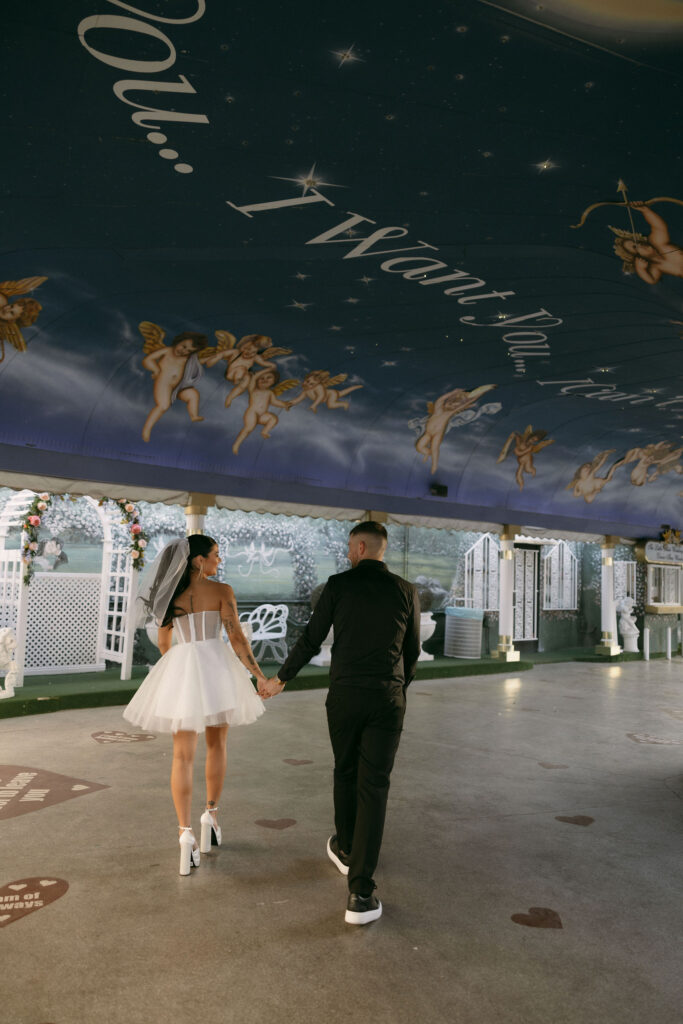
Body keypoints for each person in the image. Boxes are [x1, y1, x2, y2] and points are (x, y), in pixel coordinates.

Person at [261, 521, 421, 925]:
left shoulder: (337, 586)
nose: (349, 553)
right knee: (375, 785)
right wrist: (397, 688)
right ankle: (361, 894)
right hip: (387, 697)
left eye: (351, 547)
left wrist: (281, 678)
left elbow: (311, 639)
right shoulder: (406, 591)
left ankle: (347, 847)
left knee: (345, 771)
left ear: (362, 547)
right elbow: (412, 650)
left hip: (345, 697)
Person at [123, 536, 267, 875]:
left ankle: (185, 834)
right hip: (217, 670)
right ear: (199, 561)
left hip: (183, 669)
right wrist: (259, 676)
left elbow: (163, 643)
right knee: (217, 745)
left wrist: (182, 670)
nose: (220, 560)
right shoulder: (221, 591)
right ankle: (211, 815)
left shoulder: (168, 596)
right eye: (215, 555)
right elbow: (236, 637)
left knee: (181, 756)